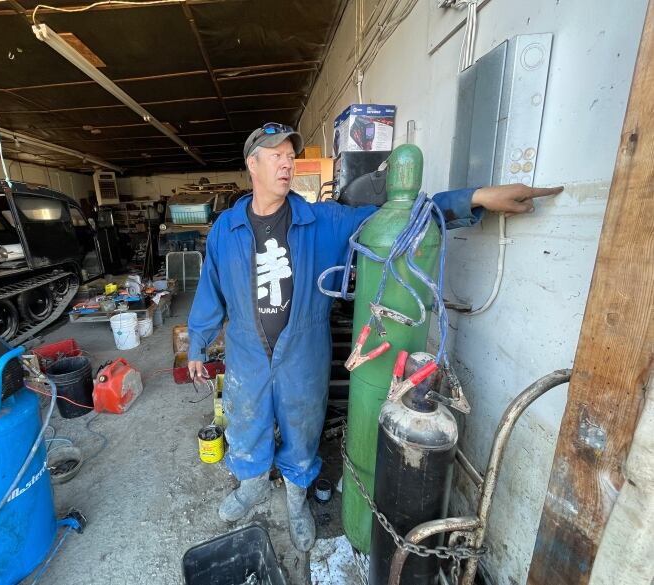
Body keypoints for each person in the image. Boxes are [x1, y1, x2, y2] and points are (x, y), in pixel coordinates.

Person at [187, 123, 562, 552]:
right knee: (245, 421)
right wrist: (198, 343)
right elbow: (209, 289)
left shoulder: (322, 221)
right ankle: (252, 487)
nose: (287, 163)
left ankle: (295, 501)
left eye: (290, 155)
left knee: (303, 428)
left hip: (303, 351)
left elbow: (399, 217)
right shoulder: (226, 229)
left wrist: (473, 198)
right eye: (276, 155)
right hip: (246, 353)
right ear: (252, 164)